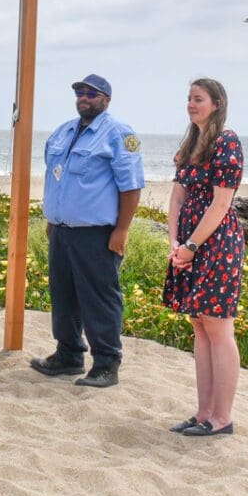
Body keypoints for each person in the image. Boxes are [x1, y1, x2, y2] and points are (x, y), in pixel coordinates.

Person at [30, 73, 145, 388]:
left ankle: (106, 364)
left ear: (106, 99)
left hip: (97, 233)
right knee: (63, 295)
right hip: (63, 231)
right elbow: (57, 178)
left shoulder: (119, 134)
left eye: (91, 93)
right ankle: (68, 355)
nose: (84, 97)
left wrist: (122, 230)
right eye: (80, 92)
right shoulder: (64, 132)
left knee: (99, 298)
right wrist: (53, 221)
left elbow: (131, 187)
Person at [162, 78, 245, 437]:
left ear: (216, 103)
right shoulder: (191, 144)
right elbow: (177, 199)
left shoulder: (227, 141)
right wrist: (174, 243)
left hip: (216, 244)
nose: (191, 105)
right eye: (189, 99)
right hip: (188, 247)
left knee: (218, 327)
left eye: (198, 99)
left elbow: (221, 203)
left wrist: (192, 246)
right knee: (199, 325)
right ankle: (203, 412)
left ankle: (222, 418)